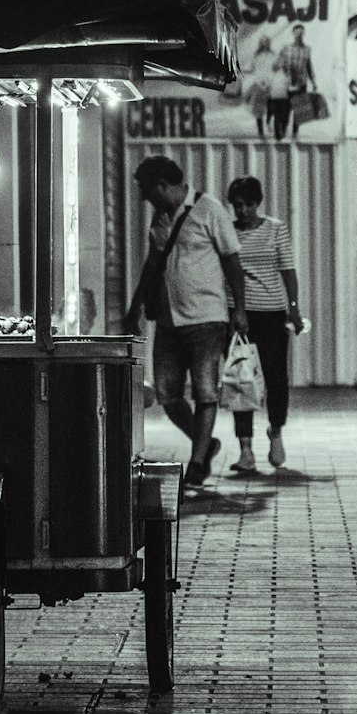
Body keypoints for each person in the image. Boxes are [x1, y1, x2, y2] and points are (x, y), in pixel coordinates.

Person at [126, 156, 248, 489]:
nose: (146, 200)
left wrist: (240, 309)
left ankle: (197, 463)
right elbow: (153, 263)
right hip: (167, 320)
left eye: (149, 192)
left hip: (207, 318)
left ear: (164, 186)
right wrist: (134, 306)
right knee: (168, 395)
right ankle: (204, 443)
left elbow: (232, 262)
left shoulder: (210, 210)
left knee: (206, 392)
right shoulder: (160, 216)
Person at [226, 176, 303, 473]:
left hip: (272, 312)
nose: (242, 211)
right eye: (237, 205)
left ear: (258, 203)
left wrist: (294, 309)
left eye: (247, 204)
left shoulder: (275, 228)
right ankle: (245, 448)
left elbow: (288, 270)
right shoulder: (229, 232)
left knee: (275, 377)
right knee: (241, 379)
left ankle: (276, 433)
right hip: (239, 314)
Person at [274, 23, 316, 139]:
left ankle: (295, 132)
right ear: (293, 33)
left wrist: (313, 81)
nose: (299, 35)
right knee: (285, 109)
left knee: (299, 110)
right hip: (287, 83)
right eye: (297, 32)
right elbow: (277, 64)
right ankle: (282, 130)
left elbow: (309, 66)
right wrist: (281, 65)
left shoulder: (307, 49)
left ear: (304, 34)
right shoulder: (286, 48)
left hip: (301, 83)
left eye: (301, 32)